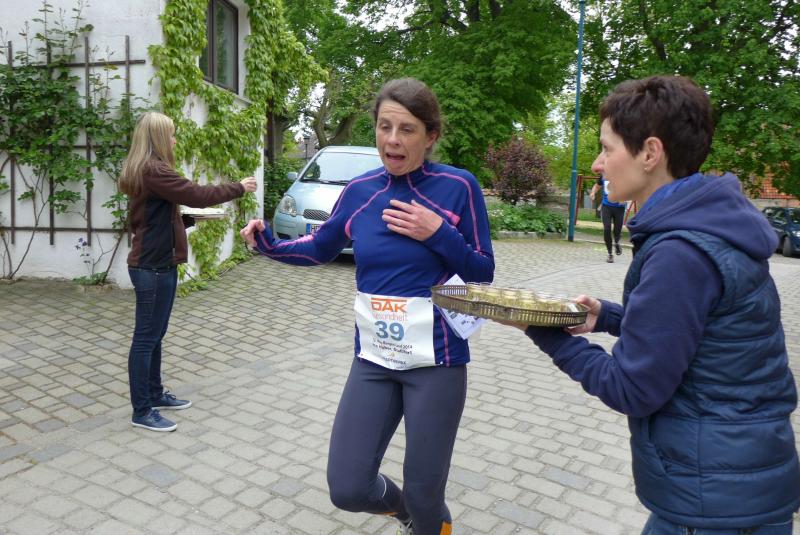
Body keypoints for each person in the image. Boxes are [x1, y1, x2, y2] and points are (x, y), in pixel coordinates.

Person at [498, 75, 800, 533]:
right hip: (737, 483)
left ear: (650, 153)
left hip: (712, 501)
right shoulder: (710, 229)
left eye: (607, 148)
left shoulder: (681, 253)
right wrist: (608, 316)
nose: (598, 163)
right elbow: (702, 334)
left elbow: (632, 389)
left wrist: (541, 329)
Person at [241, 78, 494, 535]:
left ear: (430, 136)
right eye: (384, 126)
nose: (392, 140)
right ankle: (405, 513)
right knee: (348, 487)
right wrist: (268, 244)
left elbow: (482, 270)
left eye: (407, 129)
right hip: (374, 358)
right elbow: (320, 247)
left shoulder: (458, 186)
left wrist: (438, 233)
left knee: (426, 494)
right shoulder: (360, 191)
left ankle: (427, 519)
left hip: (436, 362)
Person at [119, 111, 257, 432]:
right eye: (170, 134)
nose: (174, 140)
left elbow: (152, 217)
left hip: (159, 264)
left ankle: (155, 394)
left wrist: (187, 220)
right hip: (152, 267)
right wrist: (238, 187)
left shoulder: (150, 170)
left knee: (155, 335)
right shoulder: (153, 170)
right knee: (145, 339)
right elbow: (196, 194)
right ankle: (142, 410)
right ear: (157, 138)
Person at [589, 174, 626, 262]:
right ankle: (610, 254)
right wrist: (593, 193)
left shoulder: (623, 174)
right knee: (607, 228)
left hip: (619, 208)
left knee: (617, 230)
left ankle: (617, 242)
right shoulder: (603, 175)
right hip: (606, 206)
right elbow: (597, 186)